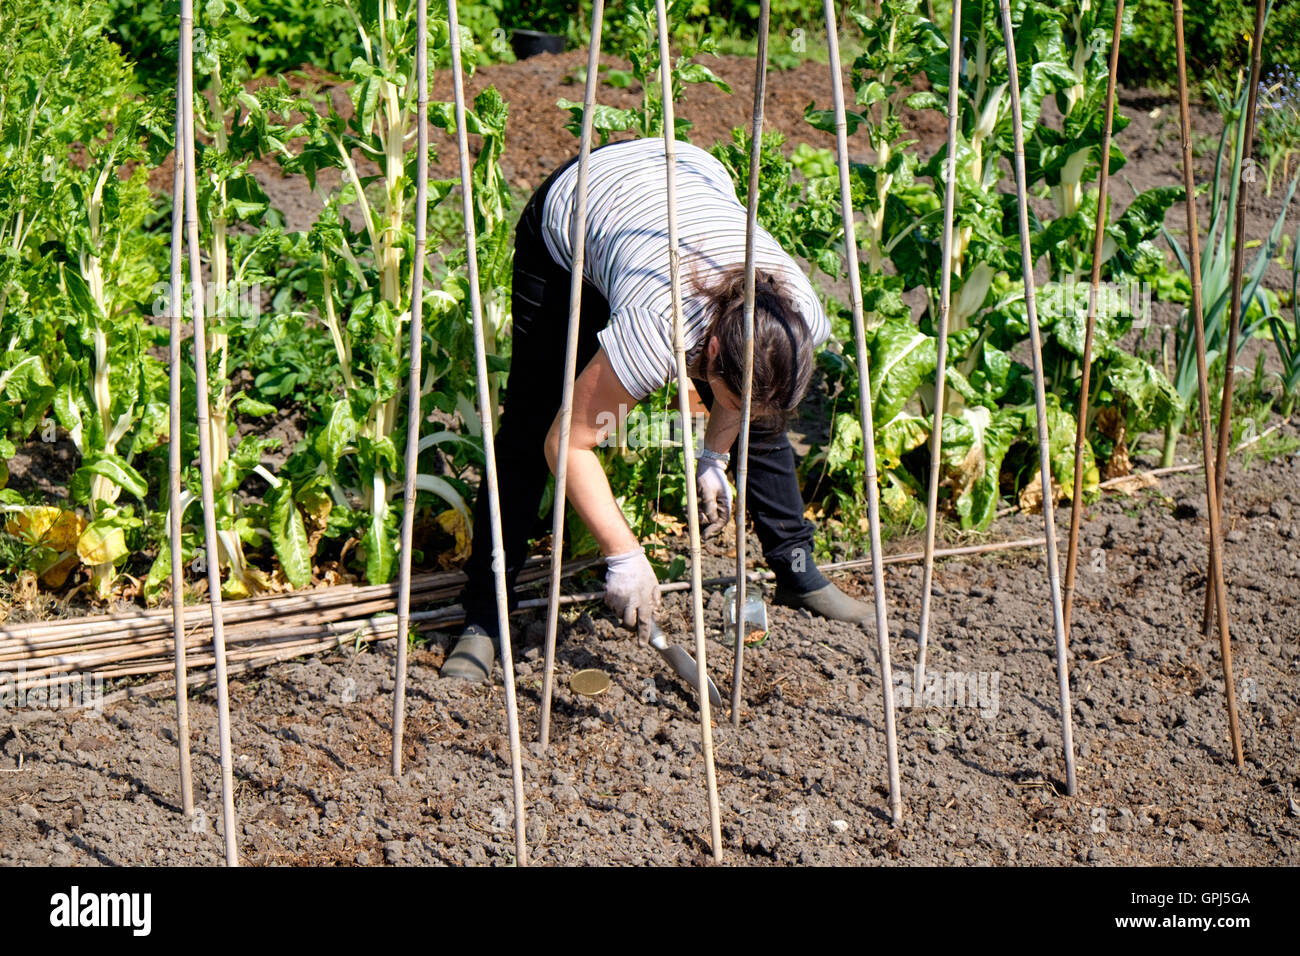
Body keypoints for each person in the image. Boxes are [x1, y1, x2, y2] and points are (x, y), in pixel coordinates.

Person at [441, 137, 871, 682]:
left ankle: (798, 569)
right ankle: (483, 616)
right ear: (708, 351)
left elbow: (749, 396)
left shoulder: (797, 317)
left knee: (758, 410)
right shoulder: (657, 326)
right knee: (534, 423)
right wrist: (623, 553)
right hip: (579, 213)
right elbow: (567, 443)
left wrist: (714, 454)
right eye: (722, 388)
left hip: (685, 176)